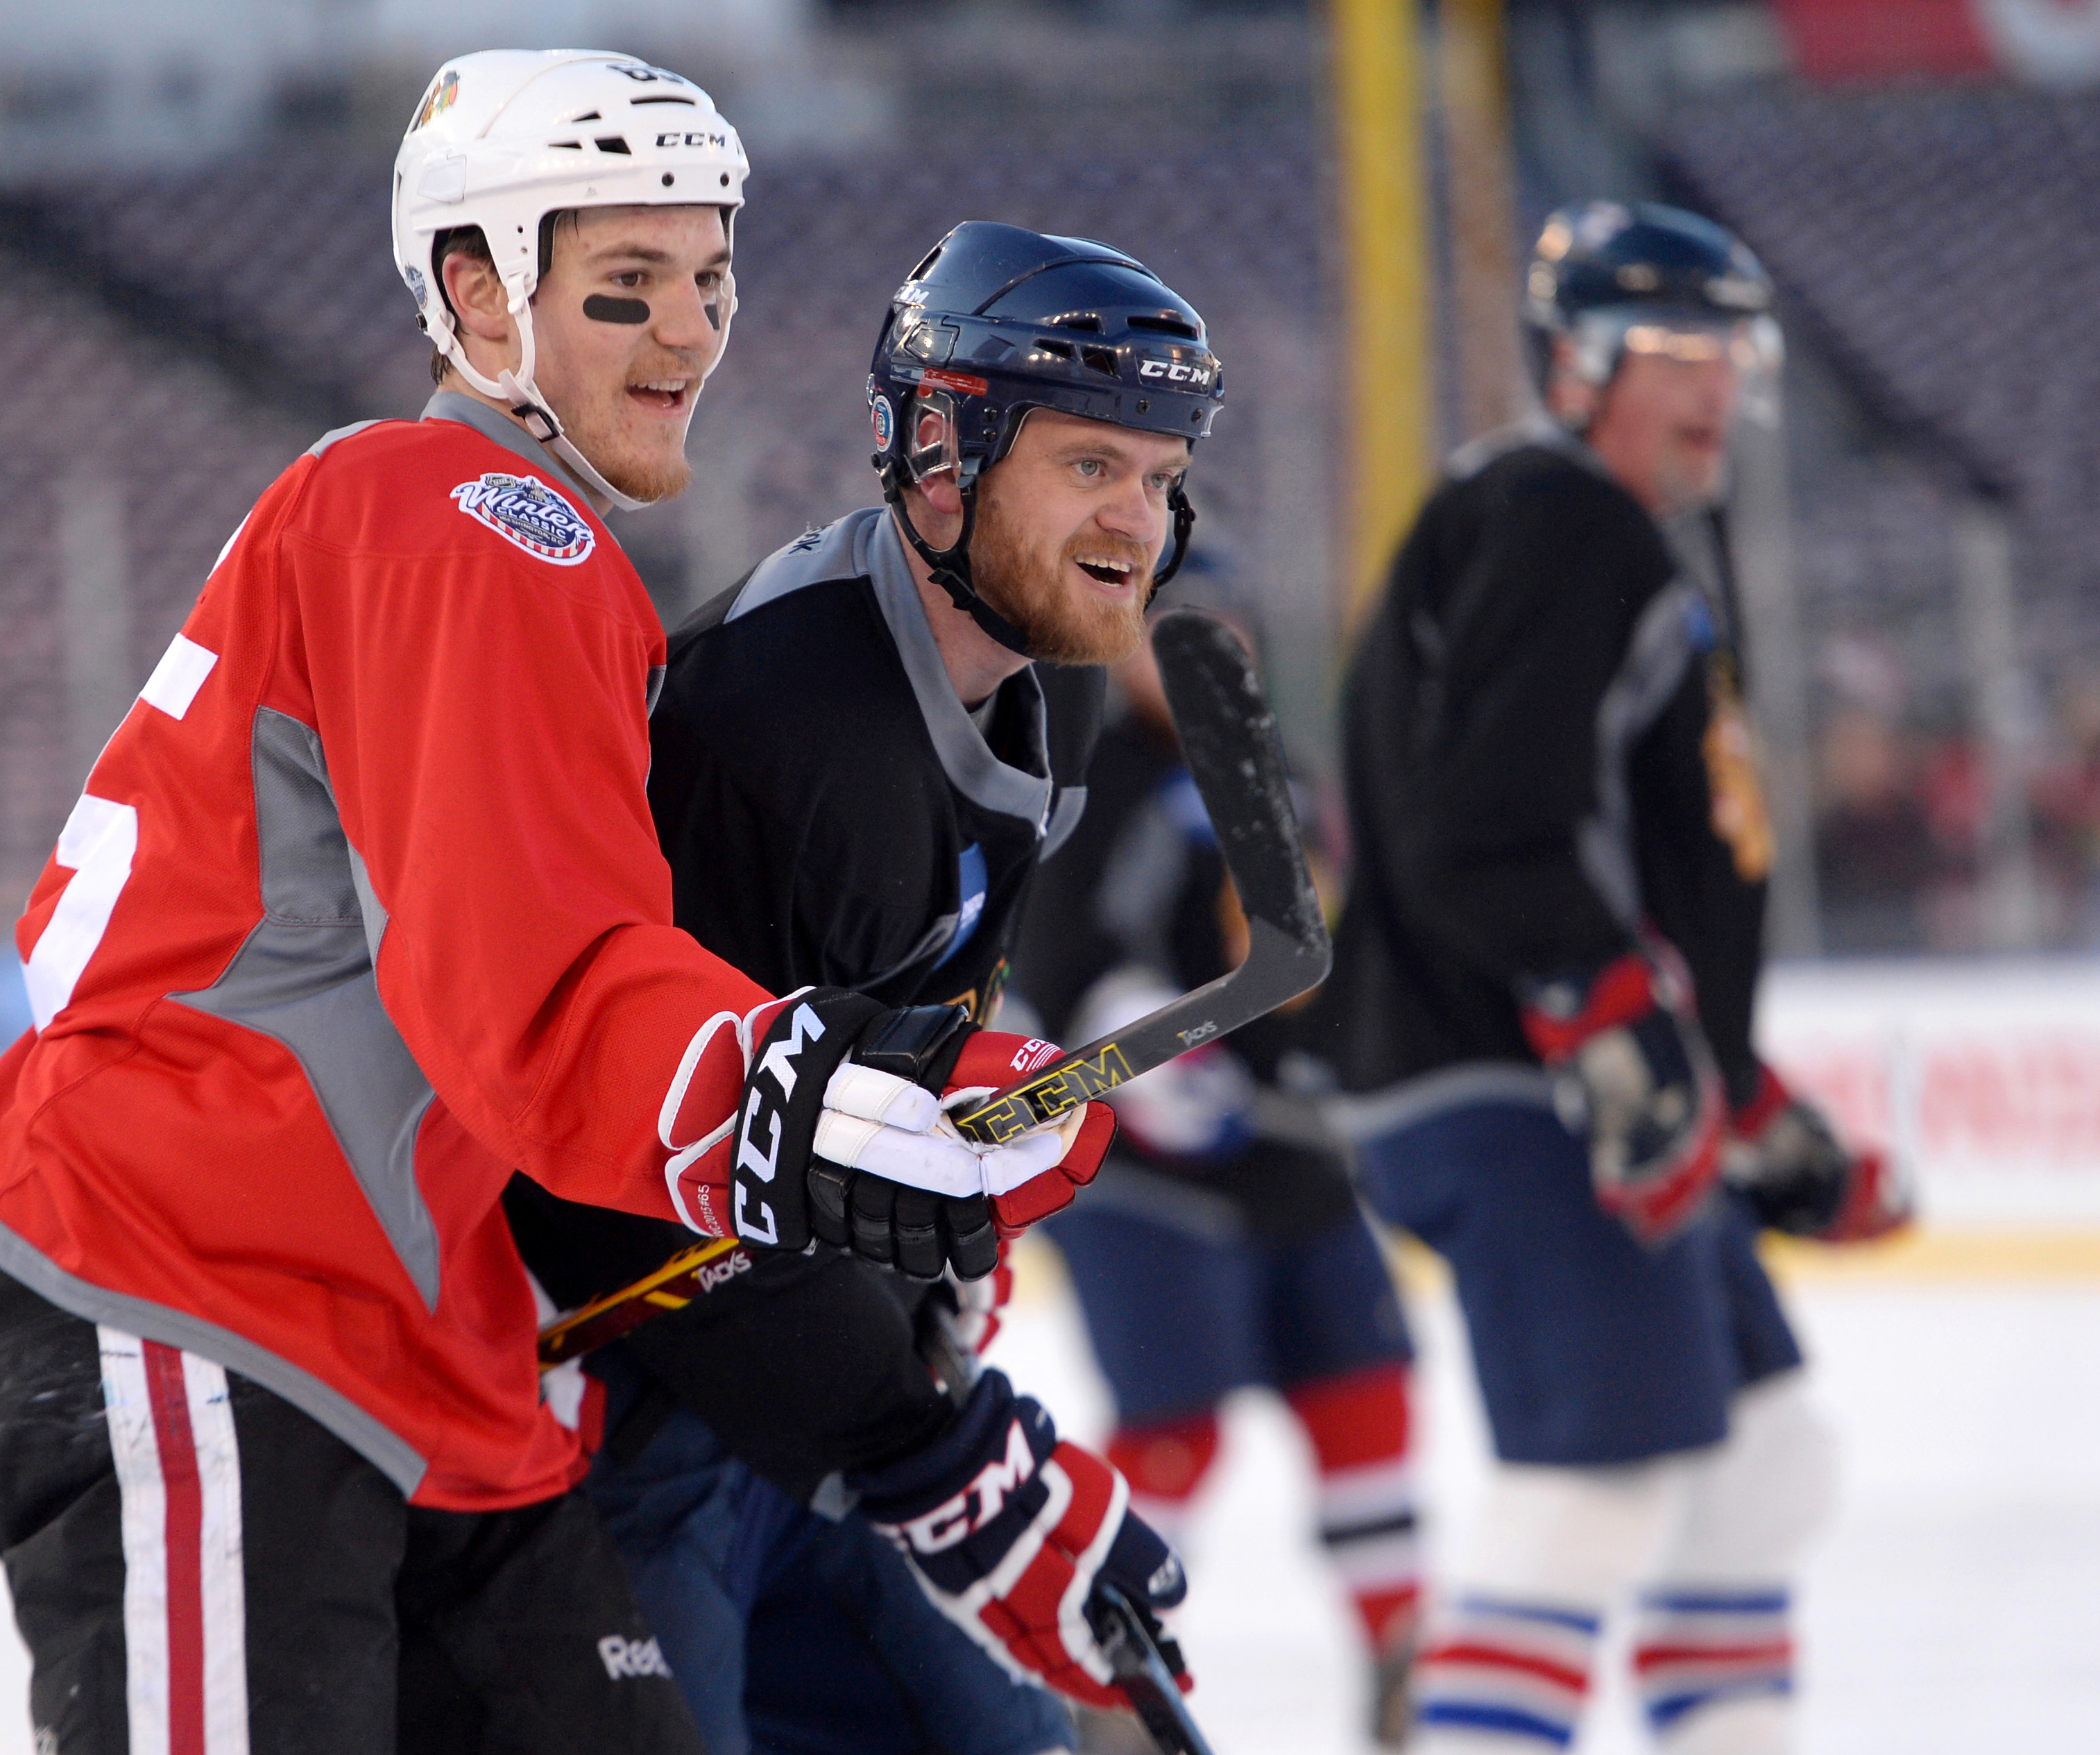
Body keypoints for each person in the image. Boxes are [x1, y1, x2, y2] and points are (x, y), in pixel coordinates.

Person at [0, 58, 1132, 1755]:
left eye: (708, 282)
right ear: (476, 292)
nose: (688, 335)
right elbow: (537, 986)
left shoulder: (517, 548)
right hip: (199, 1294)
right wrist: (830, 1102)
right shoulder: (463, 516)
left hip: (426, 1361)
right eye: (622, 288)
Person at [505, 219, 1227, 1755]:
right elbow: (616, 1173)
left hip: (821, 1382)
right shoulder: (776, 714)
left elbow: (930, 1011)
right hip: (622, 1402)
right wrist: (942, 1451)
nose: (1137, 524)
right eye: (1093, 465)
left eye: (1158, 480)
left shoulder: (1055, 678)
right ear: (942, 455)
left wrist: (935, 1269)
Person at [1325, 201, 1912, 1754]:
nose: (1709, 381)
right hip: (1523, 1083)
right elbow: (1489, 827)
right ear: (1577, 363)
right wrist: (1614, 1024)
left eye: (1728, 346)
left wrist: (1724, 1075)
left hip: (1563, 1070)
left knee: (1759, 1462)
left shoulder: (1566, 519)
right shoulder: (1564, 512)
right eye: (1667, 347)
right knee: (1595, 1496)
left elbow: (1558, 832)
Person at [1011, 566, 1426, 1749]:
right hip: (1140, 1175)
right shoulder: (1081, 771)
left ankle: (1402, 1659)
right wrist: (1135, 1045)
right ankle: (1108, 1669)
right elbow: (1059, 958)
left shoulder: (1278, 772)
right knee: (1176, 1415)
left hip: (1289, 1161)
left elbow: (1332, 946)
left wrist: (1355, 1062)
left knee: (1365, 1387)